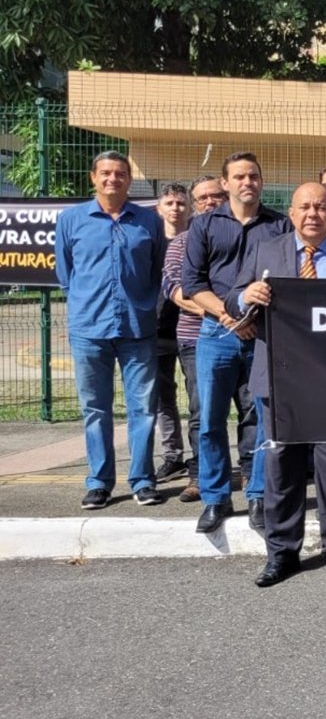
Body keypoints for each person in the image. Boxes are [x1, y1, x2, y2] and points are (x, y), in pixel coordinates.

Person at [231, 182, 326, 587]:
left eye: (321, 207)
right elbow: (230, 298)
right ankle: (282, 553)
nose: (313, 214)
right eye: (305, 207)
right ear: (291, 214)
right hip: (281, 381)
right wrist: (247, 295)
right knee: (283, 470)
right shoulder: (266, 252)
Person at [182, 151, 291, 534]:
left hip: (264, 335)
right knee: (211, 419)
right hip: (217, 332)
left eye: (255, 176)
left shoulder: (280, 225)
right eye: (240, 177)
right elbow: (193, 284)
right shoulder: (204, 225)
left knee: (263, 419)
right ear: (225, 183)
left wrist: (251, 319)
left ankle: (259, 494)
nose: (248, 182)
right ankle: (215, 498)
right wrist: (228, 315)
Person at [55, 150, 165, 510]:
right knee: (95, 409)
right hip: (89, 329)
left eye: (119, 174)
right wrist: (86, 304)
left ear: (129, 179)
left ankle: (143, 480)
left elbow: (158, 269)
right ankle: (99, 482)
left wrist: (144, 304)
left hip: (138, 328)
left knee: (143, 409)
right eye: (105, 173)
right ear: (93, 178)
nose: (112, 179)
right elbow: (66, 274)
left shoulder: (148, 221)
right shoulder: (71, 220)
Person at [162, 175, 229, 504]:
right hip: (196, 338)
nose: (209, 202)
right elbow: (176, 290)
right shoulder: (181, 242)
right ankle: (200, 476)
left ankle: (248, 474)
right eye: (201, 198)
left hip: (244, 334)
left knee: (252, 412)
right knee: (203, 412)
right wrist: (220, 312)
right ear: (193, 204)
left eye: (215, 195)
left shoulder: (237, 235)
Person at [152, 183, 191, 484]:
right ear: (159, 208)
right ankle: (172, 456)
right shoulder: (149, 242)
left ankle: (200, 459)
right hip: (158, 330)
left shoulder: (196, 240)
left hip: (192, 328)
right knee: (163, 397)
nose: (175, 207)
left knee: (198, 398)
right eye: (170, 202)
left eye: (180, 203)